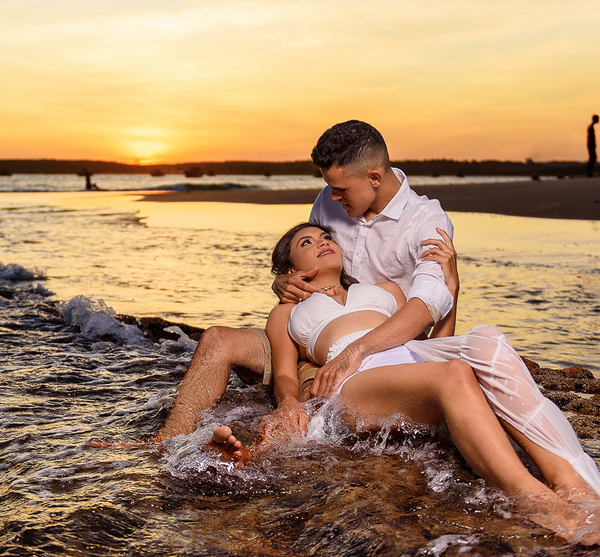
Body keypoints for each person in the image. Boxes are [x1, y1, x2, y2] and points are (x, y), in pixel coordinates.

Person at [209, 223, 600, 544]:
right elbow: (284, 372)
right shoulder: (287, 312)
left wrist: (453, 282)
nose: (323, 240)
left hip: (411, 367)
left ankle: (570, 484)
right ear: (288, 270)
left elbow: (433, 343)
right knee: (452, 374)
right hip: (354, 381)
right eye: (307, 242)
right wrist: (288, 403)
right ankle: (531, 497)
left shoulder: (384, 290)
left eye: (325, 235)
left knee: (484, 342)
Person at [151, 120, 454, 442]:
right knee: (217, 339)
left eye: (341, 189)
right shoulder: (330, 199)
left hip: (382, 349)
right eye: (330, 187)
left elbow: (431, 302)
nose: (333, 197)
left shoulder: (426, 221)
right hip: (309, 332)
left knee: (311, 395)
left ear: (374, 177)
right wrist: (282, 281)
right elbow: (300, 251)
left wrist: (352, 353)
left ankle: (253, 453)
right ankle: (164, 442)